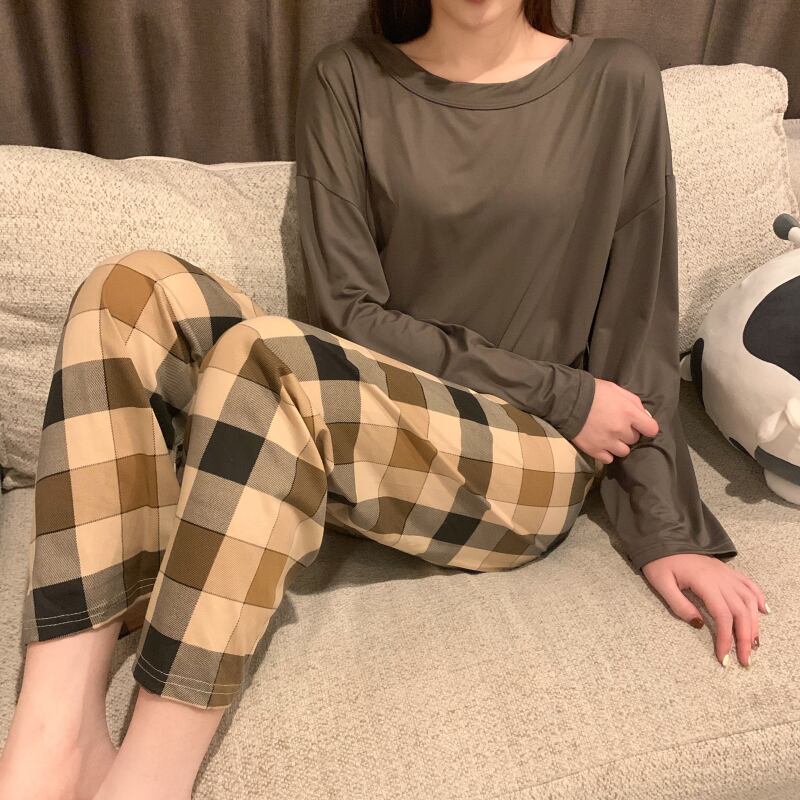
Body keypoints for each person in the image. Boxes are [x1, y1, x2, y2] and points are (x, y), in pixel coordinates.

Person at [0, 1, 769, 798]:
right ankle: (55, 734)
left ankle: (149, 780)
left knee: (269, 358)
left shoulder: (616, 80)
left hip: (530, 451)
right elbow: (345, 312)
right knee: (127, 293)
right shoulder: (349, 78)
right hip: (370, 416)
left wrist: (667, 531)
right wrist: (564, 389)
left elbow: (640, 317)